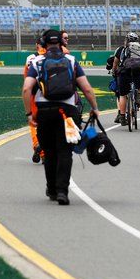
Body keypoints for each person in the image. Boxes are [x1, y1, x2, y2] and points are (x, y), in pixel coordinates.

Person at [22, 30, 99, 206]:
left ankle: (52, 189)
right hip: (68, 112)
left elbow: (27, 89)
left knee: (49, 152)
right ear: (62, 44)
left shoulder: (37, 62)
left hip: (45, 112)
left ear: (44, 43)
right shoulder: (71, 61)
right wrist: (94, 108)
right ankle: (63, 191)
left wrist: (29, 114)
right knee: (65, 151)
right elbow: (86, 88)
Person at [112, 32, 140, 126]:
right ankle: (139, 96)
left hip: (124, 72)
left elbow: (115, 63)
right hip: (138, 72)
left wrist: (114, 71)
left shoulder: (121, 49)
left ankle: (122, 117)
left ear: (126, 40)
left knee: (122, 94)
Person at [23, 38, 46, 163]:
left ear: (37, 45)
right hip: (49, 93)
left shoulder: (31, 58)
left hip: (33, 93)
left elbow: (26, 75)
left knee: (33, 120)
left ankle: (38, 145)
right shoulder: (52, 56)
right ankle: (44, 151)